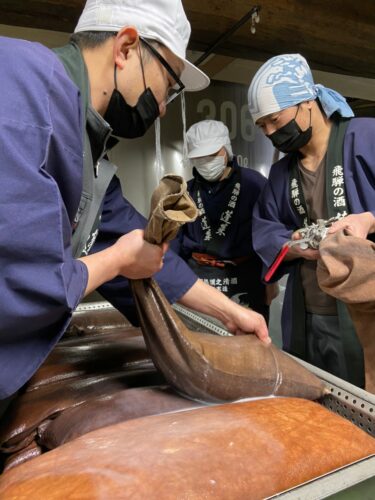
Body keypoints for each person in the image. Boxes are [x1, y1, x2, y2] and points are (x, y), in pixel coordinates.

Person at [0, 0, 269, 413]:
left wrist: (228, 313)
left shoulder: (89, 155)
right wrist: (118, 260)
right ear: (126, 48)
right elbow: (21, 282)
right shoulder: (22, 82)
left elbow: (130, 240)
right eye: (169, 83)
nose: (162, 107)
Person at [247, 53, 375, 387]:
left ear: (306, 102)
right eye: (263, 127)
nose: (272, 133)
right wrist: (293, 244)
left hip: (366, 308)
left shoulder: (366, 137)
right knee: (313, 400)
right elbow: (264, 227)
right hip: (310, 312)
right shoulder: (279, 173)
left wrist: (368, 220)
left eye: (275, 120)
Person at [172, 120, 278, 322]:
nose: (206, 161)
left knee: (248, 343)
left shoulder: (255, 184)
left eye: (212, 155)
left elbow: (270, 235)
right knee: (199, 340)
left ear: (226, 150)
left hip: (247, 275)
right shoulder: (184, 193)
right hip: (197, 278)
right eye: (199, 157)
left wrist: (270, 279)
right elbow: (173, 243)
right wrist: (173, 282)